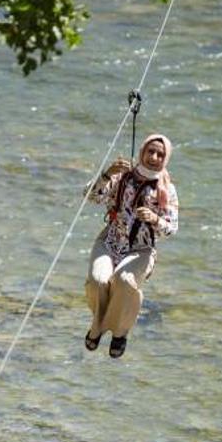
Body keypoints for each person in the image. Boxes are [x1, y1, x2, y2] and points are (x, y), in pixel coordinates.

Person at [83, 133, 179, 358]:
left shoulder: (167, 190)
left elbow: (172, 228)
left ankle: (119, 331)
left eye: (160, 154)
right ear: (142, 151)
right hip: (110, 240)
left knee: (124, 281)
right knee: (98, 281)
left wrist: (155, 219)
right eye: (150, 151)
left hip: (141, 249)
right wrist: (108, 174)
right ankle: (97, 327)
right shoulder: (123, 176)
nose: (154, 157)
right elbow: (90, 196)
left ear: (165, 159)